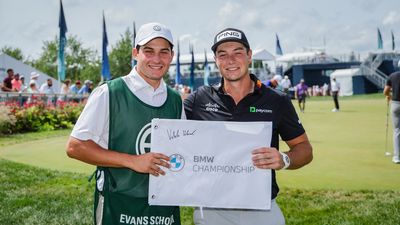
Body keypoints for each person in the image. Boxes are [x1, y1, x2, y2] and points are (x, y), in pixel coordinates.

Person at [184, 27, 313, 225]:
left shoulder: (276, 100)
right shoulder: (199, 99)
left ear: (249, 55)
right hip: (211, 211)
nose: (231, 60)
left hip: (262, 208)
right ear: (215, 60)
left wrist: (284, 159)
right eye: (223, 55)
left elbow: (304, 149)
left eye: (238, 53)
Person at [66, 22, 184, 225]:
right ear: (135, 53)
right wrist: (132, 161)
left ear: (171, 56)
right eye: (148, 51)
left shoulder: (175, 99)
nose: (157, 59)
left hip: (165, 207)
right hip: (119, 204)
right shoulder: (109, 92)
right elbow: (75, 147)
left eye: (164, 52)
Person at [383, 64, 400, 164]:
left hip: (395, 104)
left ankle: (397, 156)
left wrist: (389, 96)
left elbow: (385, 91)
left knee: (397, 130)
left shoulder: (392, 76)